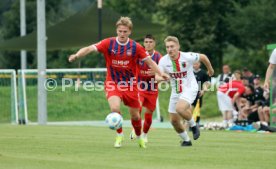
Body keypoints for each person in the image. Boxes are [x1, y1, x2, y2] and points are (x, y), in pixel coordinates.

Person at [68, 17, 168, 148]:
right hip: (113, 83)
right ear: (117, 30)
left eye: (125, 31)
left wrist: (161, 74)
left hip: (131, 85)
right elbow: (89, 48)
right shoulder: (108, 43)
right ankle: (119, 135)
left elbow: (150, 62)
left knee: (136, 117)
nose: (122, 34)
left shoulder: (135, 47)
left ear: (129, 32)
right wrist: (76, 55)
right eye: (120, 31)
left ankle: (139, 137)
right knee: (115, 109)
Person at [156, 36, 214, 147]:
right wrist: (163, 77)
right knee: (173, 121)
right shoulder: (163, 61)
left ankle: (193, 125)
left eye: (172, 46)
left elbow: (203, 57)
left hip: (190, 87)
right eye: (167, 47)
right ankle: (186, 140)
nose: (170, 49)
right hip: (176, 91)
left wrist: (210, 69)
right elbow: (156, 77)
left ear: (178, 46)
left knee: (180, 108)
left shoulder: (187, 56)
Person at [130, 34, 162, 143]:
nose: (148, 44)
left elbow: (164, 73)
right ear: (144, 43)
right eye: (146, 42)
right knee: (137, 108)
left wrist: (157, 72)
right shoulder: (139, 55)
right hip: (140, 87)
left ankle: (144, 135)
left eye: (150, 42)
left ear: (154, 43)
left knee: (148, 116)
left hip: (152, 90)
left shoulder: (158, 57)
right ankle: (134, 129)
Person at [191, 61, 210, 125]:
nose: (195, 65)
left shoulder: (203, 73)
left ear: (200, 64)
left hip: (198, 93)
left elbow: (207, 82)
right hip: (189, 93)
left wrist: (203, 90)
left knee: (197, 107)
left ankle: (196, 123)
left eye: (197, 63)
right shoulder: (189, 72)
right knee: (188, 107)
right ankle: (188, 122)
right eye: (194, 63)